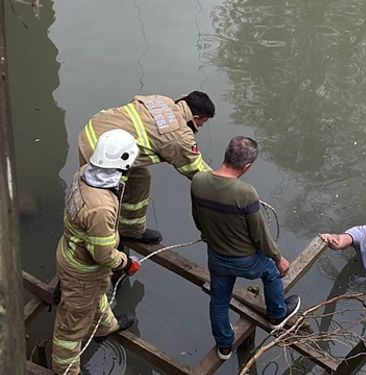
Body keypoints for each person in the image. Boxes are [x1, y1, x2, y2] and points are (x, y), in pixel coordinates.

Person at [191, 136, 301, 360]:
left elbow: (197, 218)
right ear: (247, 166)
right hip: (246, 260)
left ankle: (224, 346)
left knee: (219, 300)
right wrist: (278, 257)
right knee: (270, 273)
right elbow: (260, 234)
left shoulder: (198, 181)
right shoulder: (245, 193)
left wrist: (207, 234)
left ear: (226, 154)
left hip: (216, 257)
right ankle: (277, 316)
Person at [52, 129, 142, 375]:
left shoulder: (82, 174)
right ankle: (66, 370)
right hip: (83, 269)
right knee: (71, 326)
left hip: (73, 254)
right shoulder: (100, 207)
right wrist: (125, 263)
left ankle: (105, 327)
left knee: (98, 293)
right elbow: (102, 255)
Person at [77, 91, 216, 244]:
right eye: (203, 122)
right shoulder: (179, 135)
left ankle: (131, 231)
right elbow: (195, 169)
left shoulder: (163, 101)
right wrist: (222, 181)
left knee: (140, 179)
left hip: (95, 130)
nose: (201, 126)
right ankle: (103, 239)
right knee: (103, 200)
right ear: (196, 118)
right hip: (102, 151)